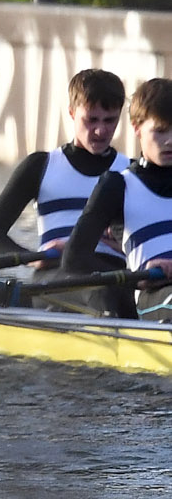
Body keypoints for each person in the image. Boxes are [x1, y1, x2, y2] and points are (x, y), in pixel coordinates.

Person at [0, 68, 127, 271]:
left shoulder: (131, 171)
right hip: (55, 272)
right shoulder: (41, 166)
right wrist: (32, 258)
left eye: (110, 120)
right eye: (91, 120)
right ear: (72, 113)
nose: (100, 131)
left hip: (113, 273)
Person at [66, 76, 172, 319]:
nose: (170, 141)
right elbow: (75, 259)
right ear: (137, 128)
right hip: (152, 295)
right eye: (160, 131)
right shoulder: (117, 185)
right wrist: (138, 277)